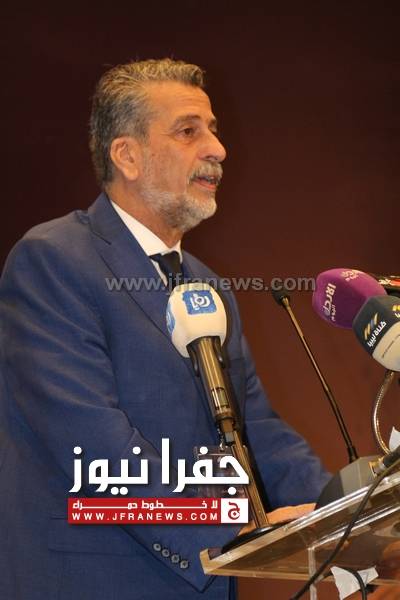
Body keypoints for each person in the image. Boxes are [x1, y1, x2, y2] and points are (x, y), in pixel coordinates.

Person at [0, 58, 330, 600]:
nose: (218, 149)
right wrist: (222, 531)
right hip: (92, 584)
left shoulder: (210, 286)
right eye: (188, 131)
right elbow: (92, 443)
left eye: (214, 130)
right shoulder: (53, 260)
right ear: (127, 156)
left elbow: (256, 432)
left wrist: (343, 516)